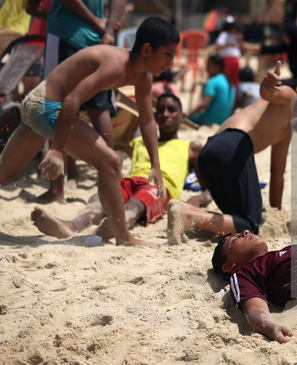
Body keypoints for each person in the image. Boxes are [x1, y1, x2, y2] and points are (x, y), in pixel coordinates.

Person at [0, 16, 179, 247]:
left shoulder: (143, 76)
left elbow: (147, 121)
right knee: (110, 162)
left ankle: (123, 236)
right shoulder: (115, 65)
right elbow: (72, 101)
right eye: (168, 53)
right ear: (147, 49)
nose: (172, 62)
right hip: (46, 107)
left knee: (5, 174)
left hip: (38, 103)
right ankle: (124, 237)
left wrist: (155, 164)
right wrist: (56, 150)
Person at [166, 62, 297, 244]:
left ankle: (182, 210)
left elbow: (277, 176)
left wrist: (275, 215)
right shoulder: (289, 95)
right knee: (251, 226)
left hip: (210, 154)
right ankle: (188, 215)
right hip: (234, 146)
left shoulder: (285, 131)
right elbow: (268, 93)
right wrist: (269, 82)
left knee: (238, 219)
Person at [30, 93, 202, 240]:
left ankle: (107, 229)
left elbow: (207, 188)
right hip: (129, 181)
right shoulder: (139, 141)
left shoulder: (191, 147)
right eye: (160, 110)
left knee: (136, 205)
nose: (165, 114)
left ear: (183, 117)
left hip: (158, 188)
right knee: (98, 199)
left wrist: (194, 202)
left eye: (171, 110)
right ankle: (73, 226)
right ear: (155, 116)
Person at [34, 0, 126, 204]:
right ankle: (110, 183)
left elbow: (33, 7)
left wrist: (96, 23)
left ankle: (56, 188)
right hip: (99, 41)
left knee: (54, 103)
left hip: (67, 35)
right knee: (98, 107)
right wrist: (108, 29)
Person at [188, 55, 235, 126]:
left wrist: (188, 115)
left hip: (210, 119)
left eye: (209, 66)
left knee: (191, 118)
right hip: (224, 120)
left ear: (217, 67)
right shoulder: (230, 83)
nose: (207, 69)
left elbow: (205, 104)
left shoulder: (213, 81)